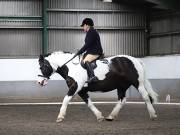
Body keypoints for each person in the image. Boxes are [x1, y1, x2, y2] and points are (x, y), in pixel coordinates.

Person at [76, 18, 103, 83]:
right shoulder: (90, 32)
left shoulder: (92, 32)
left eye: (83, 26)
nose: (83, 28)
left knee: (86, 61)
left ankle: (92, 77)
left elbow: (87, 44)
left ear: (87, 25)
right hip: (91, 51)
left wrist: (80, 52)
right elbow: (89, 45)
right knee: (82, 59)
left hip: (95, 52)